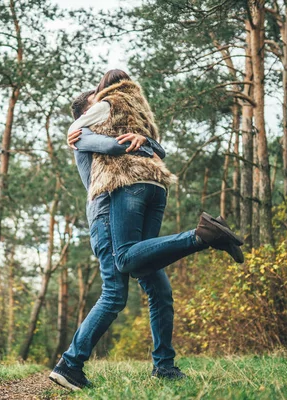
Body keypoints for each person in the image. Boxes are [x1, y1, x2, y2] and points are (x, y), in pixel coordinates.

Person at [48, 70, 244, 391]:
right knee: (115, 293)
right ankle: (71, 364)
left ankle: (162, 366)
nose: (109, 109)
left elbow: (153, 148)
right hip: (106, 213)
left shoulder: (122, 131)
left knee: (158, 291)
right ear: (87, 113)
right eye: (98, 104)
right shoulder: (83, 137)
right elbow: (106, 144)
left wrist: (145, 141)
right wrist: (133, 146)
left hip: (127, 200)